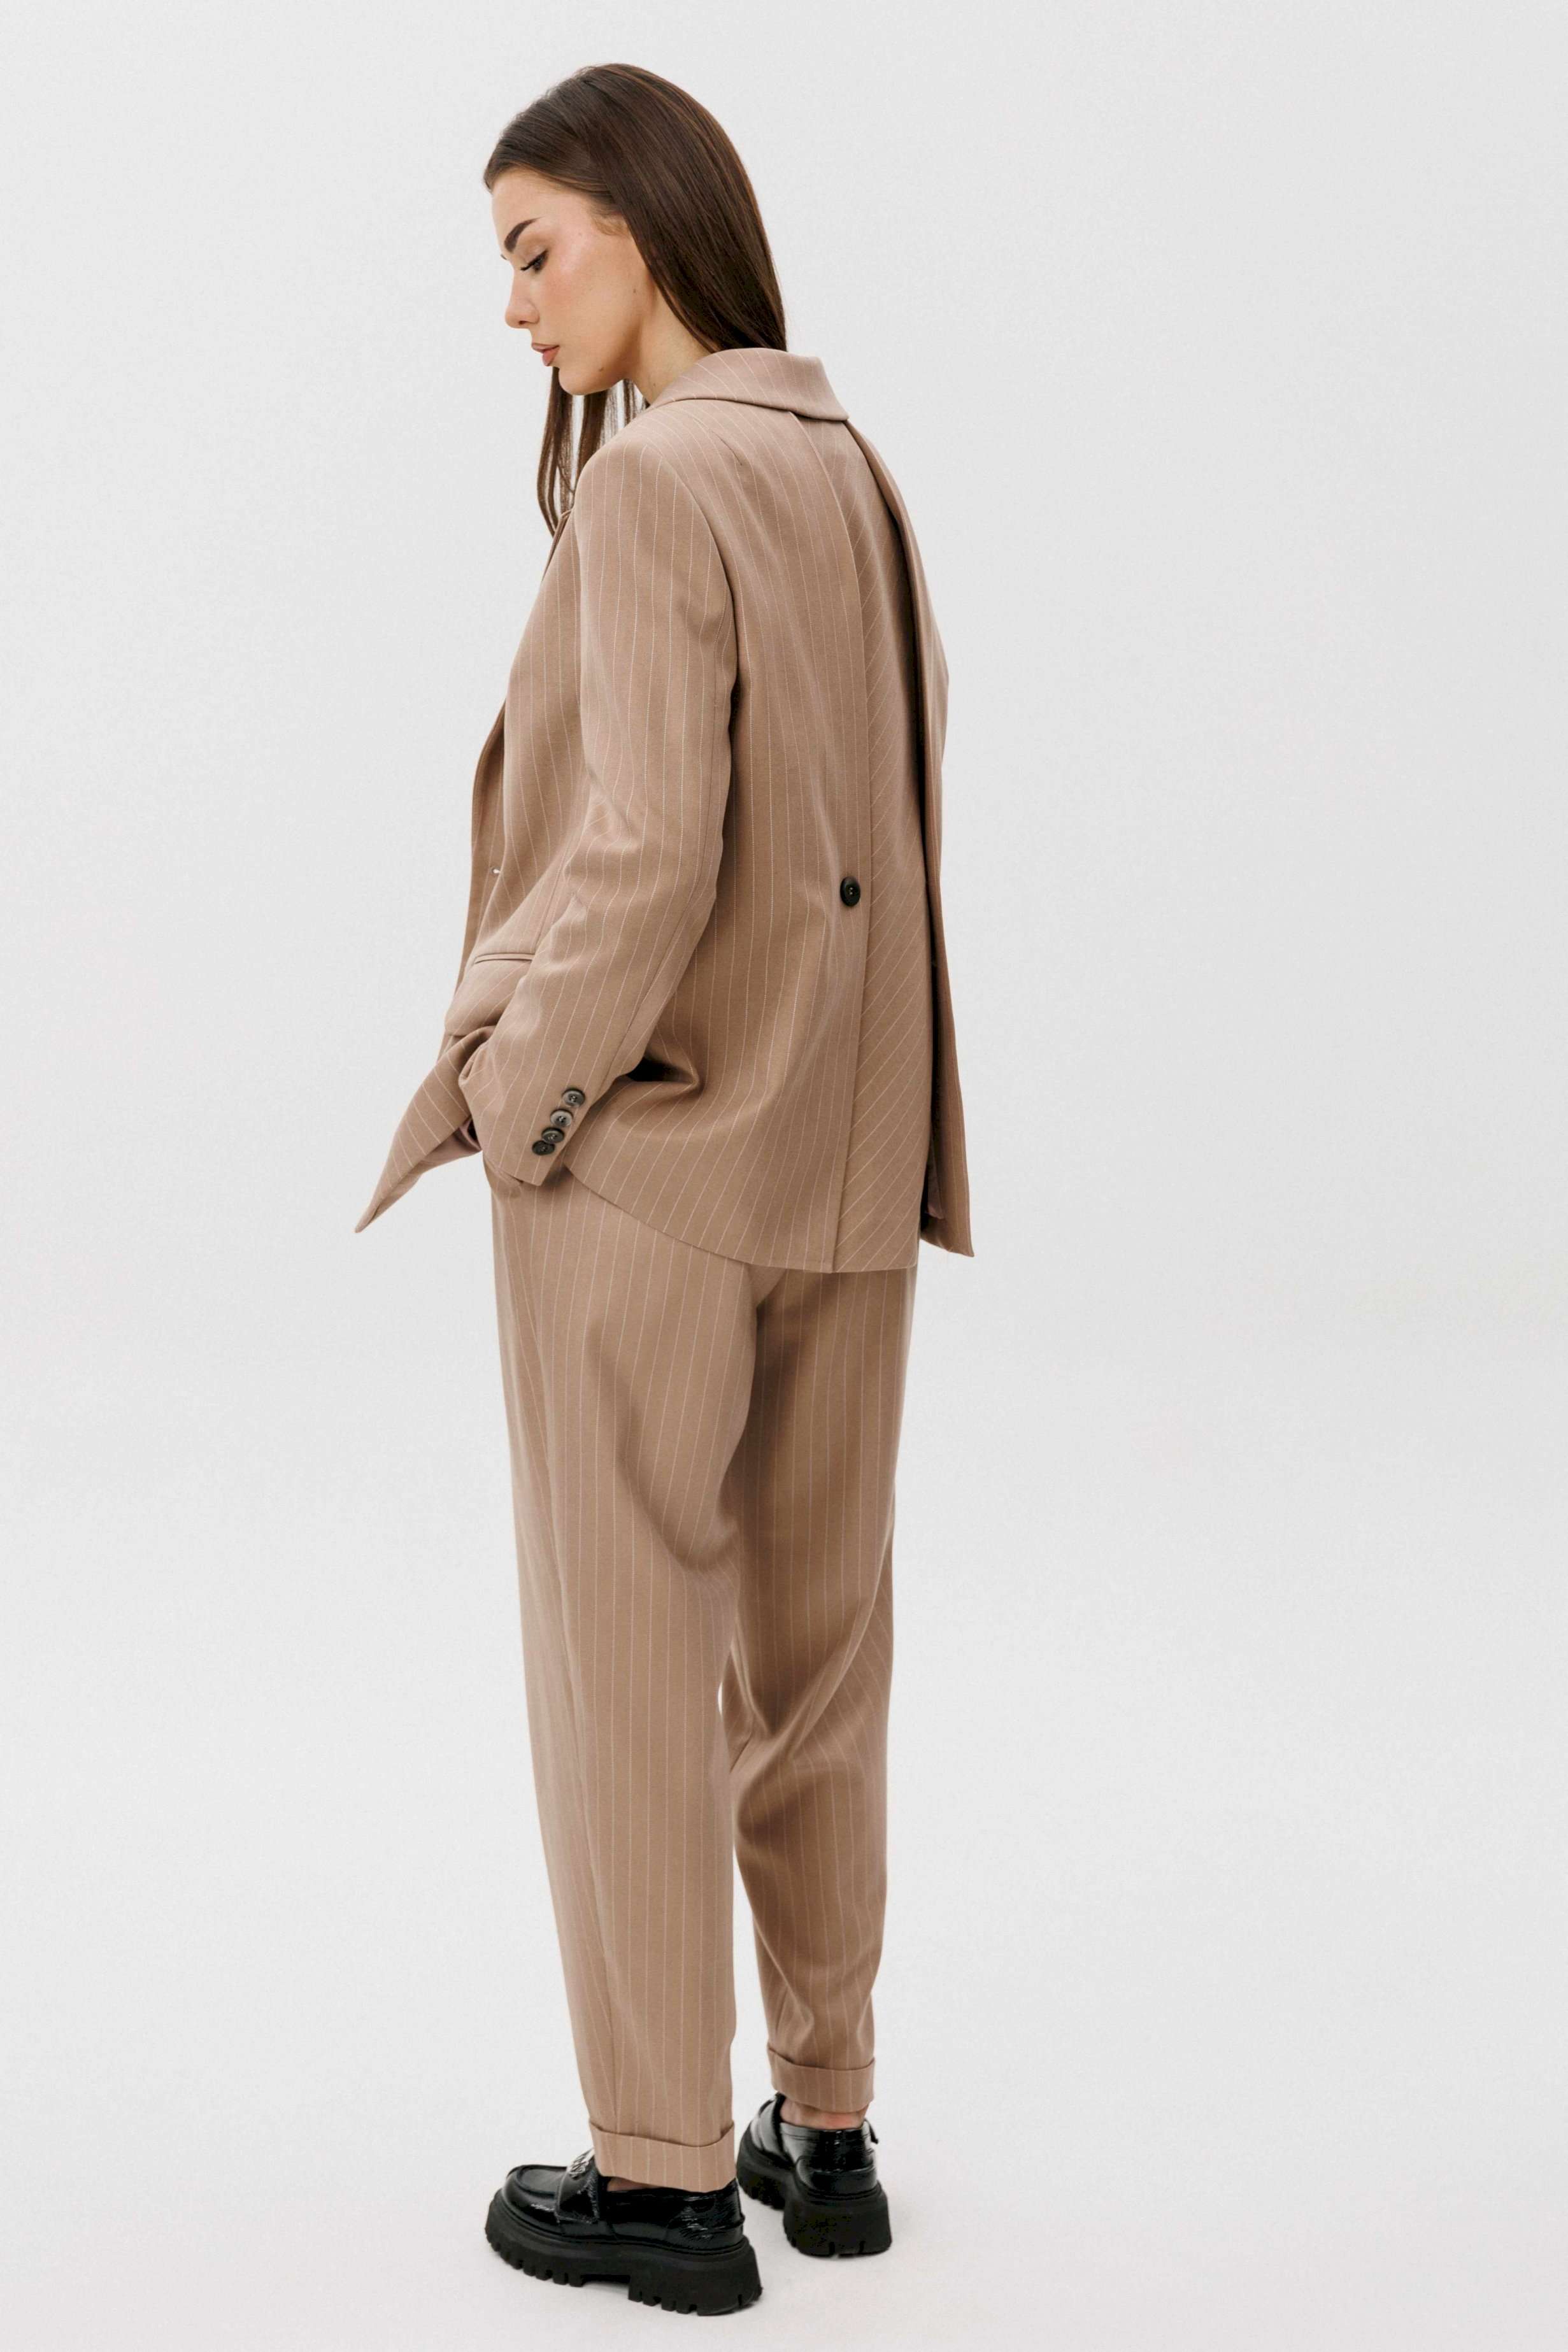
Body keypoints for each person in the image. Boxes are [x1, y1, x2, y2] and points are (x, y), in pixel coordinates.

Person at [355, 61, 973, 2317]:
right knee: (818, 1667)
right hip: (850, 1167)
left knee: (626, 1673)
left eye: (536, 249)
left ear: (644, 219)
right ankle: (830, 2127)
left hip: (653, 1168)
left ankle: (660, 2184)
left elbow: (637, 858)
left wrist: (516, 1107)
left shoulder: (658, 485)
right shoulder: (851, 468)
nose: (516, 306)